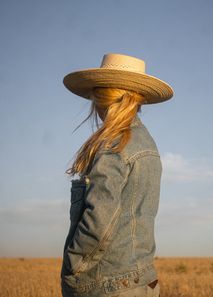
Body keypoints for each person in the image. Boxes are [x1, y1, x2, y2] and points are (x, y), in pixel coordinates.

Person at [60, 53, 174, 297]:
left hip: (108, 286)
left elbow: (98, 220)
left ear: (99, 99)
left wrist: (74, 265)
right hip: (143, 281)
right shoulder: (147, 143)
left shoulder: (114, 145)